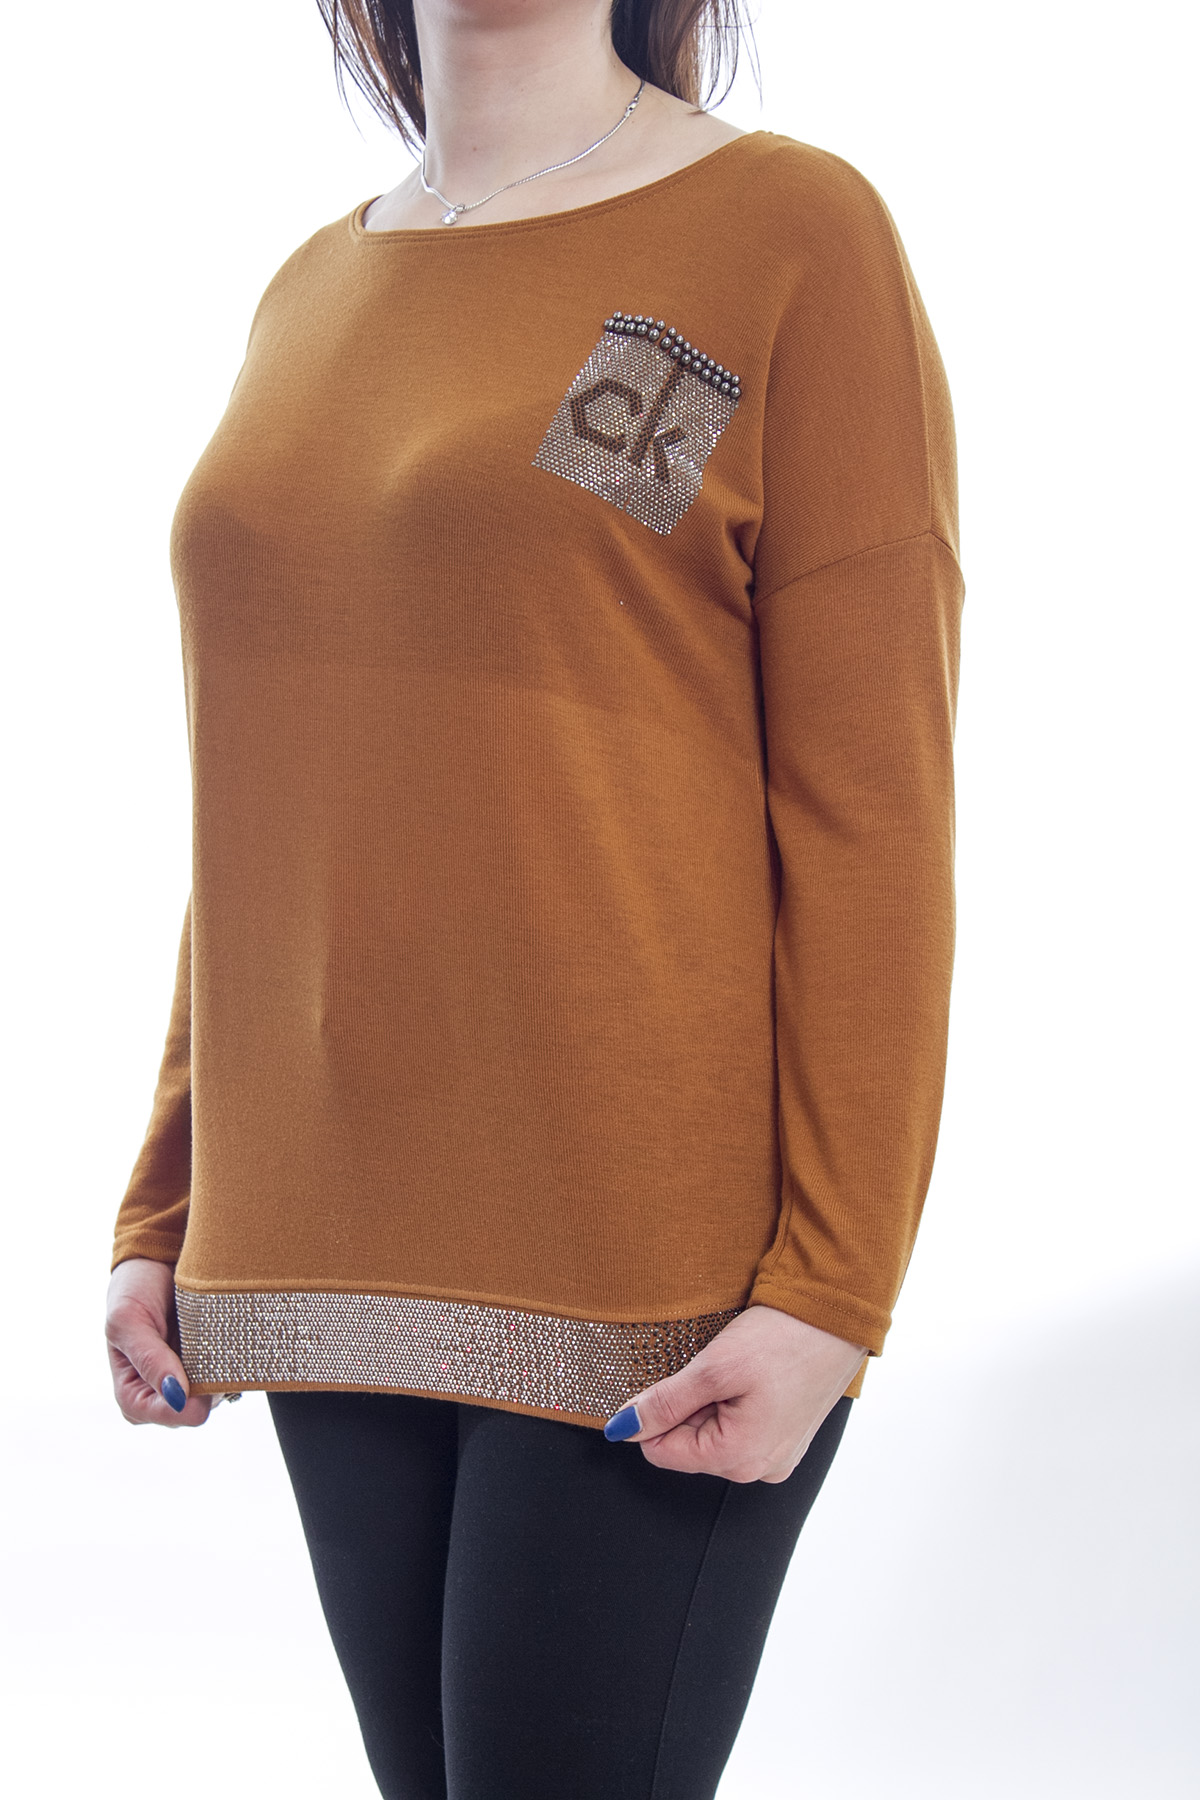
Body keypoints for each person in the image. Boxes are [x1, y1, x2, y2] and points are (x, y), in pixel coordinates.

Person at [104, 2, 965, 1795]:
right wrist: (165, 1199)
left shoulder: (787, 237)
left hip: (646, 1255)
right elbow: (272, 790)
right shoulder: (307, 291)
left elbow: (875, 811)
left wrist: (834, 1287)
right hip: (326, 1229)